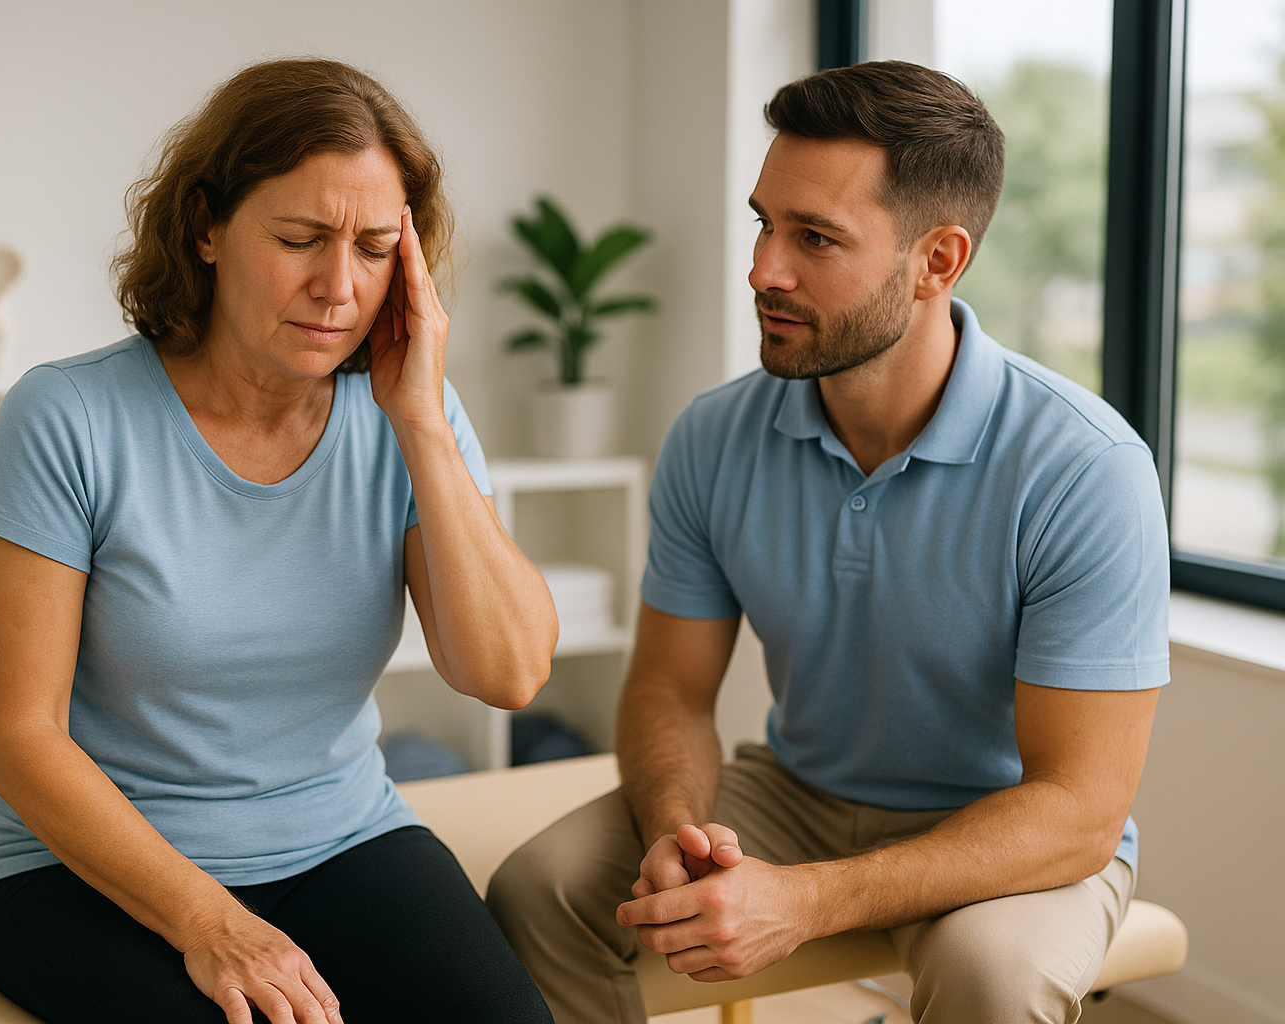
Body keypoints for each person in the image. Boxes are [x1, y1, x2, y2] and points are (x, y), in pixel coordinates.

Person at [487, 60, 1168, 1024]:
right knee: (540, 890)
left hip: (1004, 829)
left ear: (939, 261)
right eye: (764, 221)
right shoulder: (713, 436)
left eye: (816, 237)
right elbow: (669, 688)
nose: (765, 267)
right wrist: (679, 826)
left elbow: (1079, 807)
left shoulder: (1085, 469)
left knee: (993, 976)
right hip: (798, 792)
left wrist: (804, 900)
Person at [0, 58, 559, 1024]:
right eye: (300, 239)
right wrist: (210, 921)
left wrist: (424, 427)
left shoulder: (412, 418)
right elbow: (17, 733)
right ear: (205, 228)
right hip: (82, 868)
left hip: (342, 838)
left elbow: (507, 673)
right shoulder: (67, 415)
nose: (337, 286)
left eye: (373, 249)